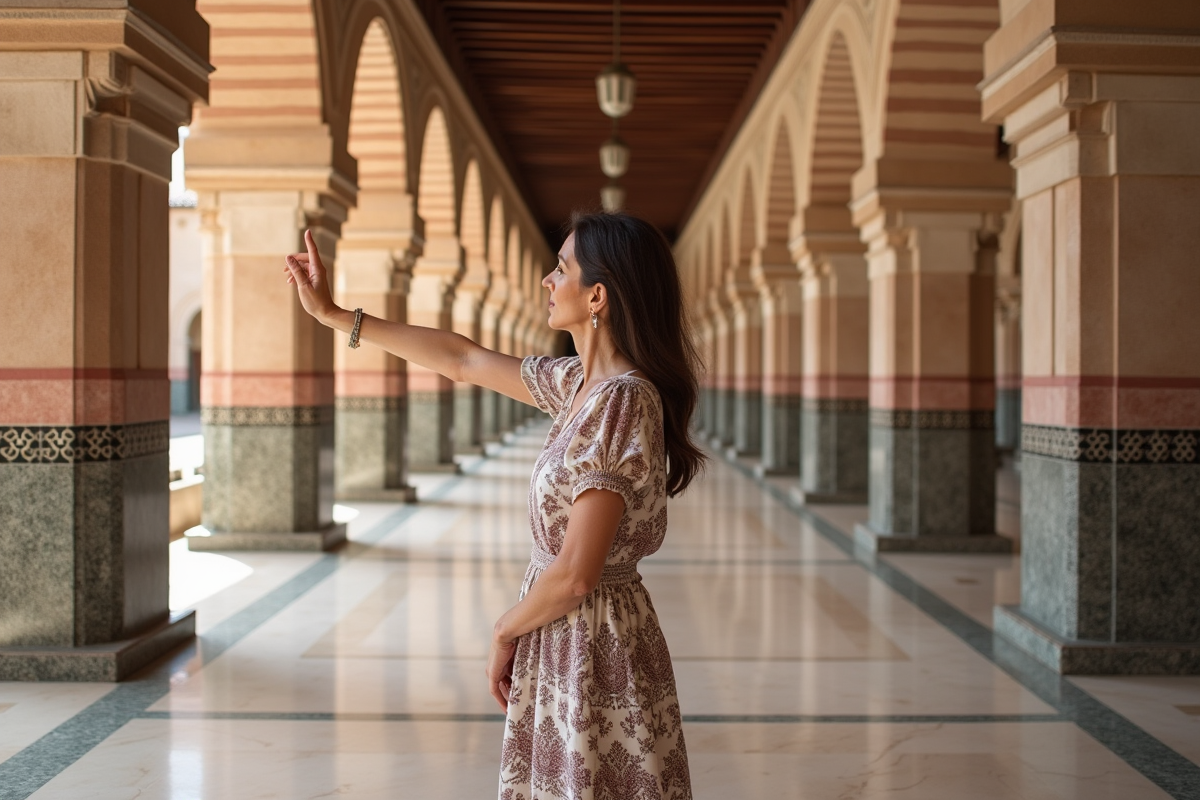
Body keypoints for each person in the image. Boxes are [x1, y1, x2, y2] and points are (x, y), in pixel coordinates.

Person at [284, 210, 703, 800]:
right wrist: (334, 315)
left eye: (561, 269)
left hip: (591, 639)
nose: (546, 281)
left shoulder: (621, 401)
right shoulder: (580, 386)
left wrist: (505, 630)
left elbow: (579, 575)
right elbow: (463, 360)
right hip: (567, 630)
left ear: (598, 296)